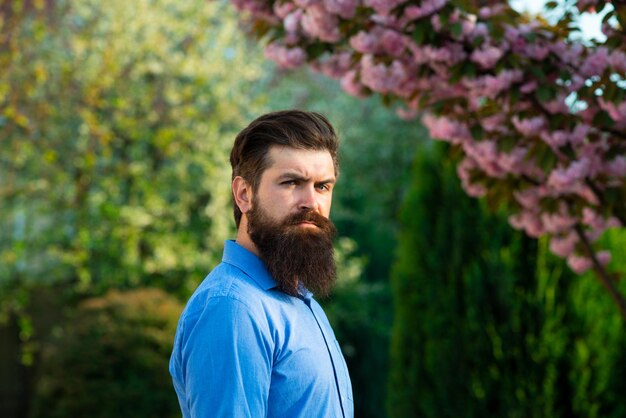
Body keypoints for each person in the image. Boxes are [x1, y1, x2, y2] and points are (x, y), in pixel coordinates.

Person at [169, 110, 354, 417]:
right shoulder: (233, 308)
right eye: (292, 182)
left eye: (323, 186)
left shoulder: (296, 299)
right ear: (244, 194)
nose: (311, 202)